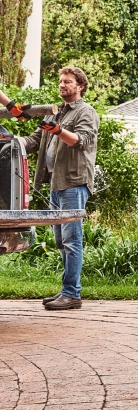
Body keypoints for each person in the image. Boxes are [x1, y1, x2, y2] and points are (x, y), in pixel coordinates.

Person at [0, 67, 99, 311]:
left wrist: (57, 130)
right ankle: (68, 291)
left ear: (80, 87)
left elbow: (80, 141)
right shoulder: (57, 112)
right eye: (61, 81)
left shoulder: (86, 112)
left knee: (71, 240)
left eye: (68, 82)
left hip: (74, 182)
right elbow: (33, 141)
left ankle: (72, 294)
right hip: (56, 184)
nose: (62, 85)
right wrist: (9, 141)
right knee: (60, 240)